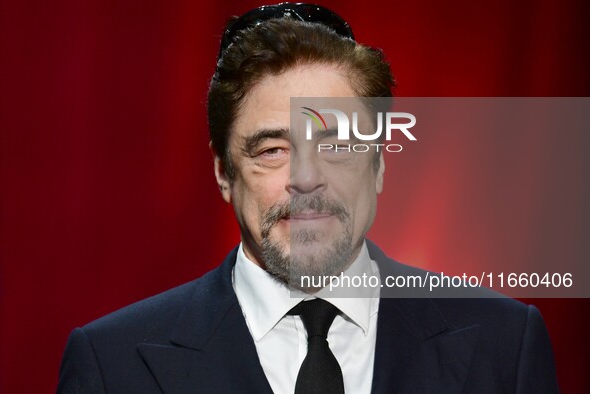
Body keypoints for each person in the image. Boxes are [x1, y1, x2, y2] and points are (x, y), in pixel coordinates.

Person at [57, 3, 559, 393]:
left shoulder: (506, 344)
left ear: (379, 164)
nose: (307, 178)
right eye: (273, 150)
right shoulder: (111, 364)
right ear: (223, 172)